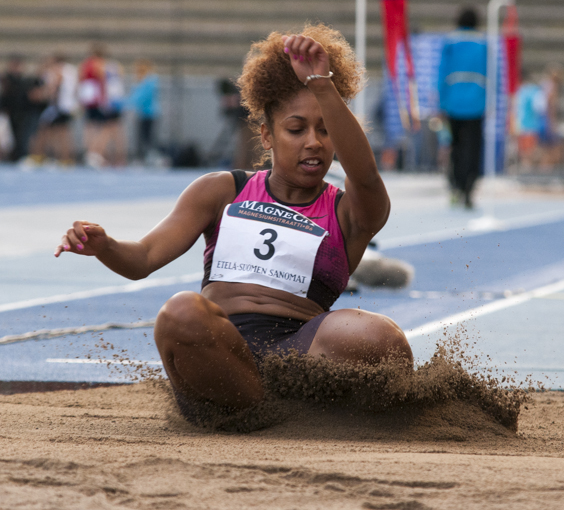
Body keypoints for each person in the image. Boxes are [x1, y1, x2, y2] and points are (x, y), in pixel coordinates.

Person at [55, 24, 413, 417]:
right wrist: (105, 246)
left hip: (301, 357)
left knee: (378, 337)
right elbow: (143, 259)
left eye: (325, 131)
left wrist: (322, 84)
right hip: (218, 349)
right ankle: (255, 409)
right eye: (296, 129)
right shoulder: (221, 191)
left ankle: (277, 410)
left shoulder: (351, 212)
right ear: (266, 136)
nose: (313, 141)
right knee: (180, 312)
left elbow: (364, 176)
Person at [438, 7, 487, 209]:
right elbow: (491, 73)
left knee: (455, 147)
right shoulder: (484, 43)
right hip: (477, 103)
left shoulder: (449, 42)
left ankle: (456, 186)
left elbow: (441, 73)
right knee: (474, 148)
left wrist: (440, 103)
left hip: (452, 103)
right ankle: (469, 187)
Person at [34, 53, 78, 165]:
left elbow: (55, 88)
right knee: (62, 132)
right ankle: (63, 158)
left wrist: (46, 96)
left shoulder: (58, 71)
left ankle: (57, 157)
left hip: (59, 106)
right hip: (69, 105)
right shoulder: (71, 70)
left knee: (50, 131)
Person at [127, 58, 160, 162]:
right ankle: (142, 158)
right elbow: (134, 97)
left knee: (149, 138)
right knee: (141, 137)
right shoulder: (139, 81)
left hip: (150, 114)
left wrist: (126, 104)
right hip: (142, 114)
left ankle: (152, 158)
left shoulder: (150, 81)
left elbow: (141, 97)